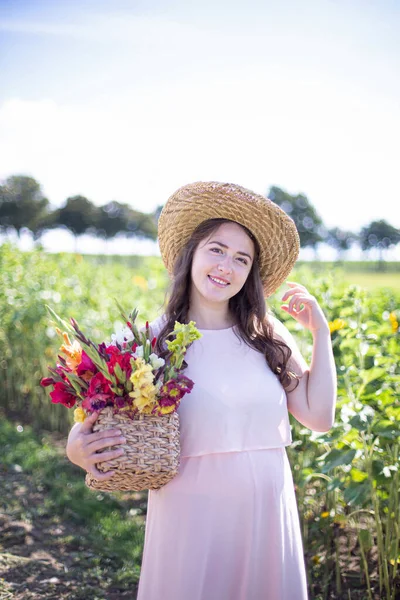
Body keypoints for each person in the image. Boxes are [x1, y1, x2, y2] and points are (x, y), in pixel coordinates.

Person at [66, 181, 337, 600]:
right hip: (191, 514)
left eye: (241, 258)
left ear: (250, 274)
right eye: (216, 249)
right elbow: (87, 413)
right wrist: (76, 449)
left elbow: (319, 417)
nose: (226, 266)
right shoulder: (148, 341)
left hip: (268, 511)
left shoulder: (265, 334)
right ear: (191, 253)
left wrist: (321, 333)